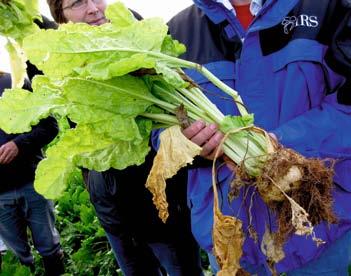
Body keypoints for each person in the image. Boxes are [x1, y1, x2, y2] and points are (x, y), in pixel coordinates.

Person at [152, 0, 351, 275]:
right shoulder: (176, 32)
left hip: (324, 231)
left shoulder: (328, 8)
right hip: (232, 243)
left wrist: (279, 148)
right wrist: (188, 143)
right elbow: (157, 128)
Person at [45, 0, 204, 275]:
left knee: (182, 267)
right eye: (79, 3)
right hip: (112, 206)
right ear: (61, 19)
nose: (94, 8)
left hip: (162, 203)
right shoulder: (63, 64)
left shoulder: (138, 36)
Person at [0, 71, 64, 275]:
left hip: (32, 182)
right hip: (0, 195)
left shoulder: (15, 81)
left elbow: (49, 126)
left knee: (50, 247)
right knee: (16, 256)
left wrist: (19, 144)